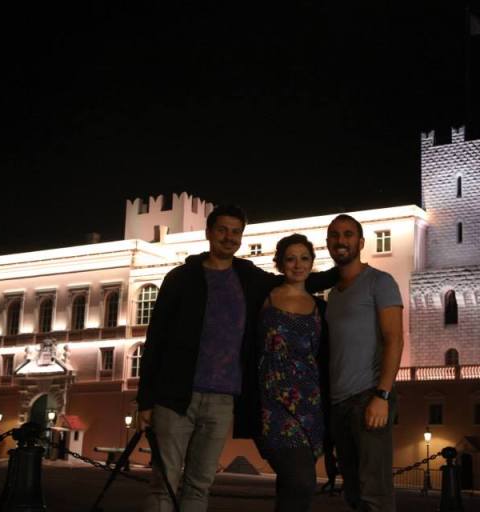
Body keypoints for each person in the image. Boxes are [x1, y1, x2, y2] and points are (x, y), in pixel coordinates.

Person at [136, 205, 337, 512]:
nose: (229, 238)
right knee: (164, 483)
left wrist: (347, 270)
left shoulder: (248, 278)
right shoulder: (180, 278)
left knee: (199, 485)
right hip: (175, 395)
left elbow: (295, 280)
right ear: (208, 233)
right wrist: (145, 399)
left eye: (236, 232)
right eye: (222, 230)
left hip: (223, 400)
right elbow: (156, 338)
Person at [324, 214, 404, 512]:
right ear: (328, 243)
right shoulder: (333, 295)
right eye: (334, 235)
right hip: (340, 403)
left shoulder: (380, 282)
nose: (340, 241)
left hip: (369, 397)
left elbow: (395, 339)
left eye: (347, 234)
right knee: (354, 494)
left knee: (375, 493)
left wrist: (382, 395)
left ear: (360, 242)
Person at [255, 234, 329, 512]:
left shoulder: (320, 306)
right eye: (290, 258)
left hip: (310, 403)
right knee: (302, 481)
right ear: (279, 263)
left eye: (304, 258)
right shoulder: (265, 298)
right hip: (272, 402)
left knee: (292, 484)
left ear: (312, 263)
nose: (298, 264)